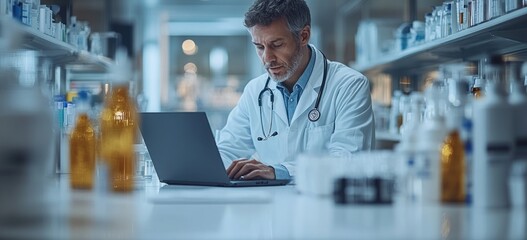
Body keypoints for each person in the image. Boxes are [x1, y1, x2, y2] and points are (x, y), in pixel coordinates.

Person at [216, 0, 375, 181]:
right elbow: (228, 149)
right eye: (259, 47)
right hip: (270, 204)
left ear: (303, 36)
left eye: (276, 45)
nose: (267, 58)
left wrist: (279, 172)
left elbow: (349, 159)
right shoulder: (255, 91)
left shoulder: (349, 85)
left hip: (323, 203)